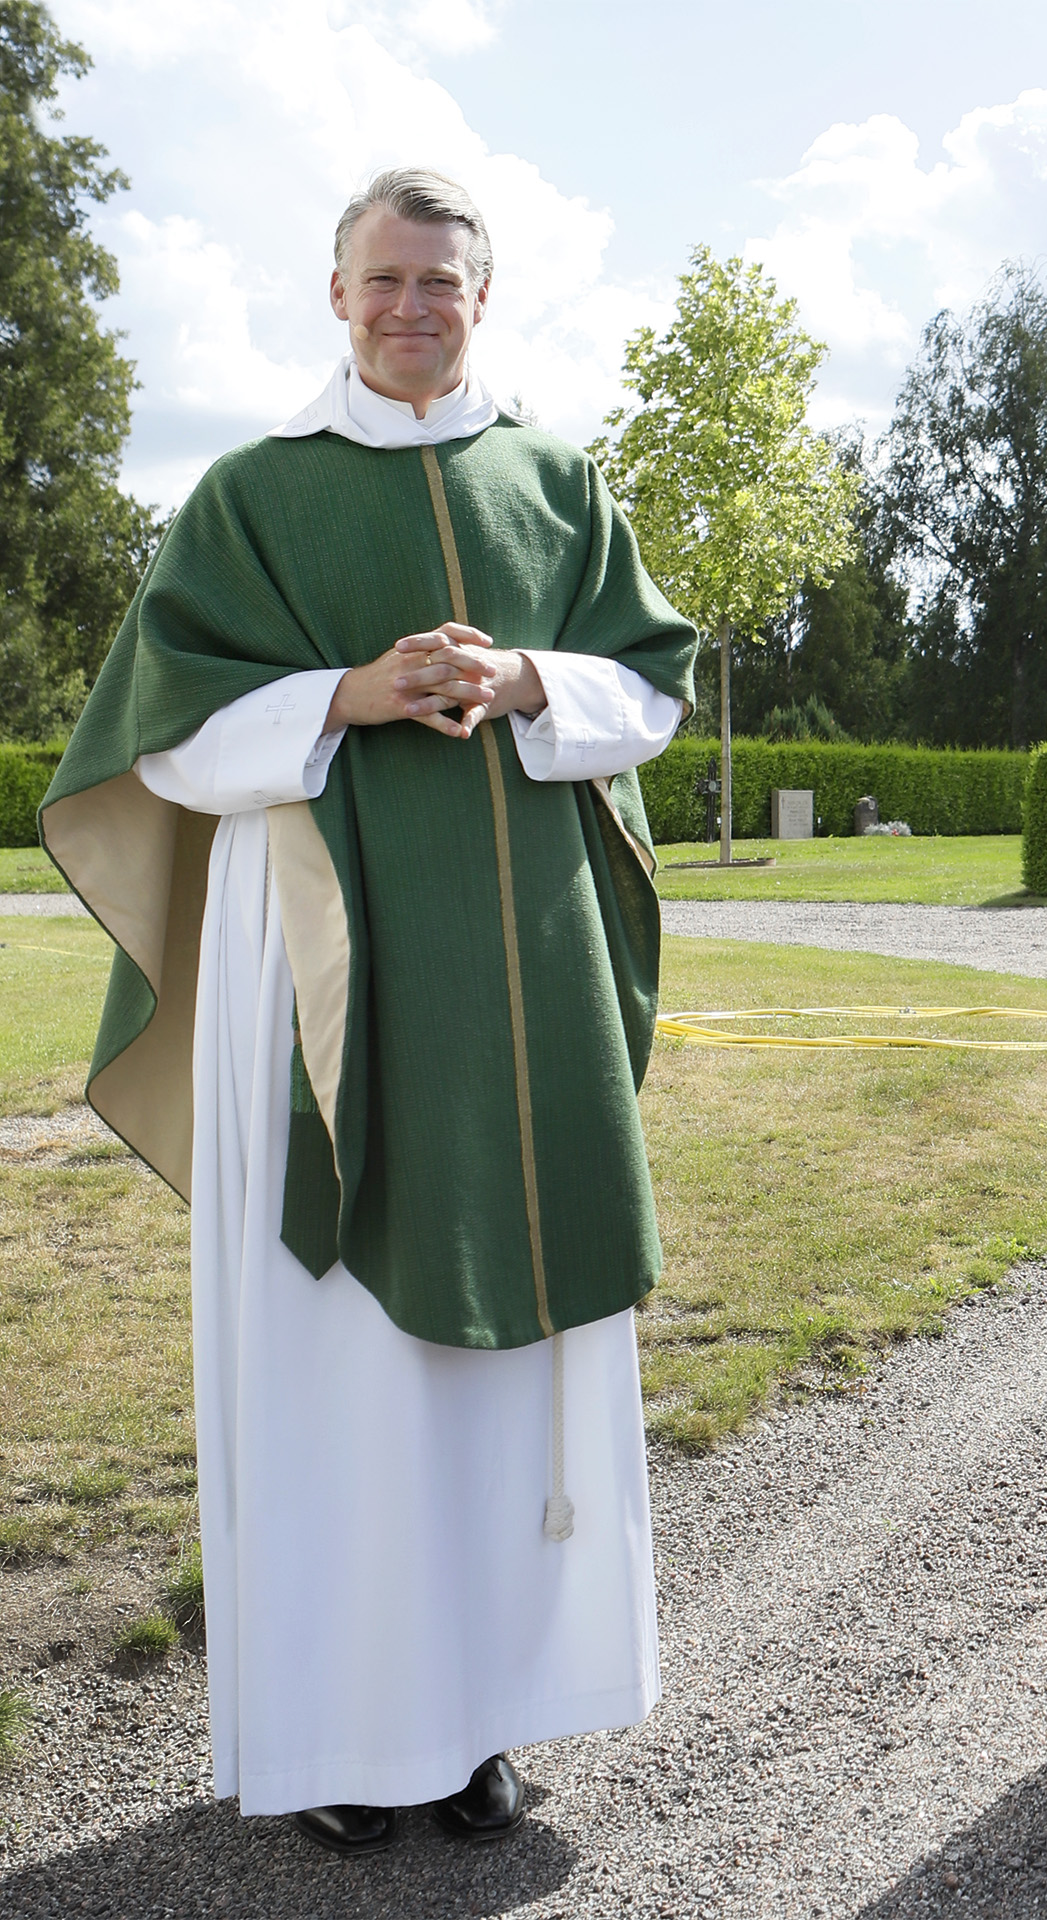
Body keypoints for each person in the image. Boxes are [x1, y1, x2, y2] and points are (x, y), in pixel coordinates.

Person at [41, 169, 699, 1852]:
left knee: (501, 1376)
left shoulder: (556, 479)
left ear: (487, 294)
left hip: (521, 990)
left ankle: (480, 1720)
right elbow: (155, 742)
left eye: (444, 281)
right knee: (343, 1362)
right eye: (385, 278)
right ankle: (344, 1735)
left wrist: (528, 677)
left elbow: (651, 685)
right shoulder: (253, 496)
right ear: (336, 293)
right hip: (319, 988)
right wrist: (345, 692)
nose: (415, 304)